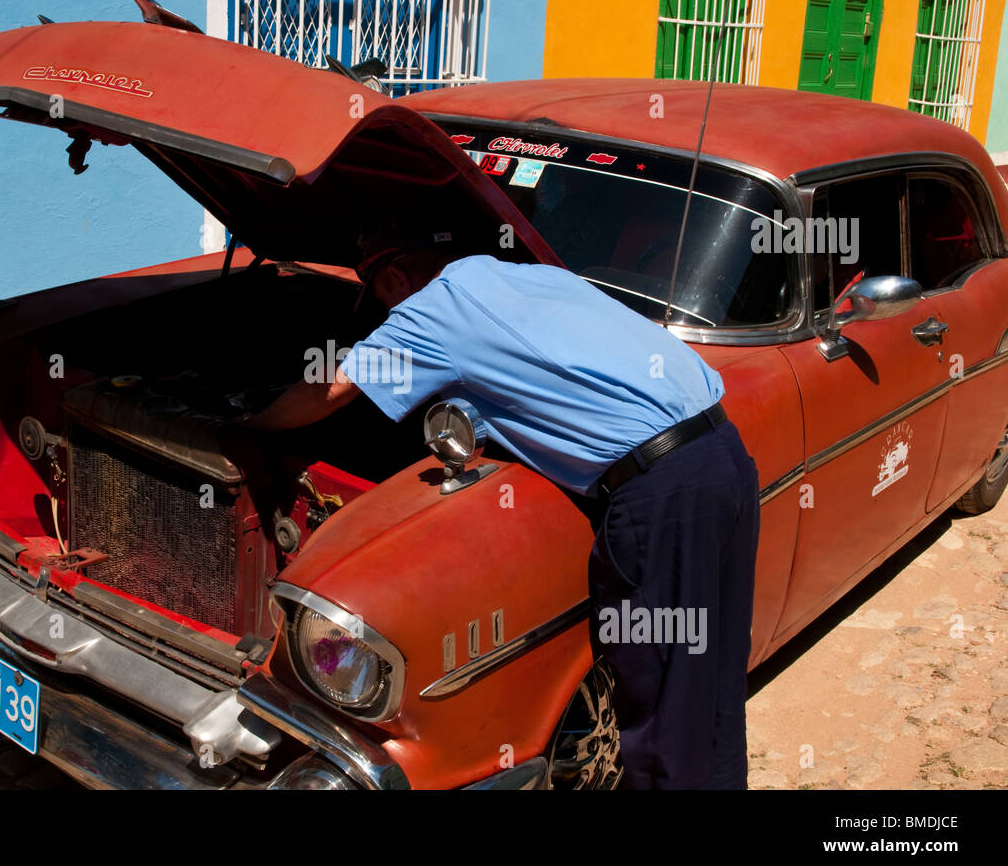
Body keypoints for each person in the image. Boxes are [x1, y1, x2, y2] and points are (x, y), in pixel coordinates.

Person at [245, 235, 760, 790]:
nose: (387, 316)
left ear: (396, 283)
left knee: (661, 702)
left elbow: (334, 387)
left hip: (659, 492)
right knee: (708, 682)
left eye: (381, 303)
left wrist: (248, 426)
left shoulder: (435, 309)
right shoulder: (534, 277)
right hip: (721, 454)